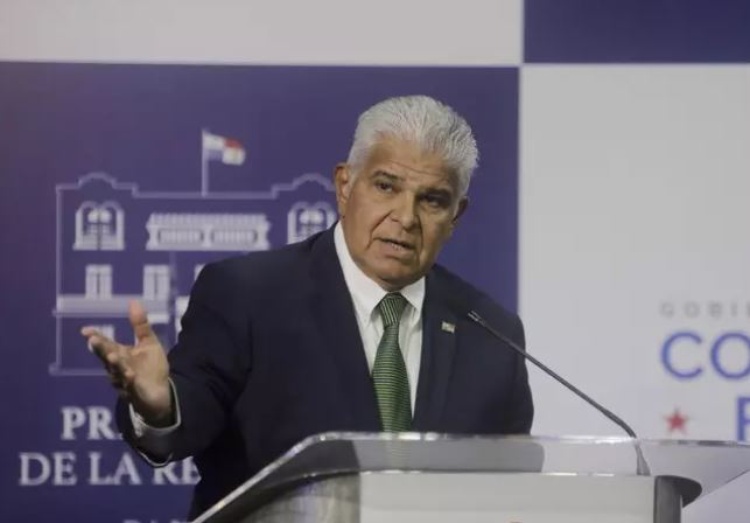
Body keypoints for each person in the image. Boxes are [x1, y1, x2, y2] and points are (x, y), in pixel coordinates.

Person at [82, 95, 533, 519]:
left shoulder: (490, 333)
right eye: (385, 186)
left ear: (456, 216)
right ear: (345, 185)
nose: (405, 217)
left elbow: (512, 493)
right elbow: (188, 418)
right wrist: (160, 406)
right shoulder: (248, 295)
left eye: (432, 200)